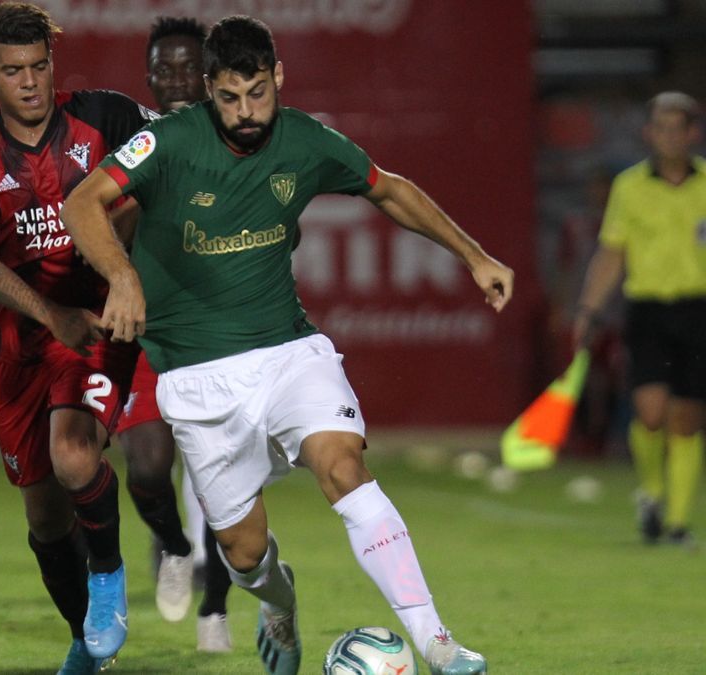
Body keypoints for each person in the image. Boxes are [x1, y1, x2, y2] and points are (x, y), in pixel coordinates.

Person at [62, 15, 509, 675]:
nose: (246, 112)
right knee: (244, 554)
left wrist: (472, 256)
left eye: (259, 93)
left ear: (278, 79)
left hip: (289, 355)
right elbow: (82, 203)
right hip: (195, 381)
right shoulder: (168, 142)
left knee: (344, 467)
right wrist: (122, 276)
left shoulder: (305, 139)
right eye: (230, 97)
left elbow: (390, 189)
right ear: (211, 89)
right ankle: (280, 603)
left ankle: (437, 641)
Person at [0, 3, 157, 671]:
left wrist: (129, 266)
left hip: (94, 322)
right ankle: (88, 642)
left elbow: (171, 171)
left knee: (72, 456)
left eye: (39, 66)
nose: (30, 83)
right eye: (12, 71)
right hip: (23, 341)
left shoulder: (108, 119)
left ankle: (111, 575)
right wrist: (47, 314)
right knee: (44, 517)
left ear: (52, 64)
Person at [113, 14, 233, 653]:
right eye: (166, 68)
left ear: (211, 75)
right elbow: (103, 220)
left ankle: (216, 609)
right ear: (150, 78)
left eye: (191, 67)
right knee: (150, 468)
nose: (179, 79)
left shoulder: (238, 135)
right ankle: (175, 545)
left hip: (219, 330)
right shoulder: (132, 143)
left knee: (218, 476)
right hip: (148, 330)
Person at [573, 91, 706, 548]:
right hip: (647, 309)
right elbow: (612, 253)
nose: (669, 136)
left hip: (698, 309)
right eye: (660, 127)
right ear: (649, 133)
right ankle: (651, 491)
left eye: (678, 127)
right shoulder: (630, 187)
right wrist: (589, 309)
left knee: (686, 419)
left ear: (693, 132)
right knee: (650, 414)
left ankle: (678, 523)